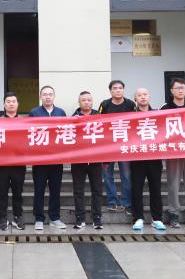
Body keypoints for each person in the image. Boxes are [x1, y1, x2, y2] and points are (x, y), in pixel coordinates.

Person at [161, 78, 185, 228]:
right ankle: (173, 213)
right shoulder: (165, 108)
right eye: (177, 88)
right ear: (171, 90)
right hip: (173, 151)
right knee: (173, 183)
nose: (180, 90)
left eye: (182, 87)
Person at [29, 85, 67, 231]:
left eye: (50, 94)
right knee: (39, 189)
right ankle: (39, 218)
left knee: (55, 189)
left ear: (54, 96)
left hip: (56, 159)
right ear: (40, 97)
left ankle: (54, 217)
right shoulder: (34, 112)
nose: (47, 97)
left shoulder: (61, 112)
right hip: (40, 159)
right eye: (44, 94)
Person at [129, 88, 166, 231]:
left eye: (145, 94)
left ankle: (157, 218)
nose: (143, 97)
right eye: (139, 95)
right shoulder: (130, 116)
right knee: (136, 189)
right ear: (135, 98)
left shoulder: (157, 114)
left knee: (155, 189)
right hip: (137, 157)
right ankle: (138, 218)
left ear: (149, 96)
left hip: (154, 157)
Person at [98, 80, 135, 215]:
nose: (118, 90)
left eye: (120, 88)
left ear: (123, 90)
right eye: (115, 88)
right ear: (110, 91)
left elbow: (136, 122)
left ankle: (127, 203)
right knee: (107, 175)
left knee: (126, 175)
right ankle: (112, 201)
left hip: (125, 145)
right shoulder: (104, 104)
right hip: (108, 146)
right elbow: (98, 122)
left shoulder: (130, 104)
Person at [71, 91, 103, 230]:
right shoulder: (73, 119)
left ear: (92, 102)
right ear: (79, 102)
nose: (86, 102)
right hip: (78, 160)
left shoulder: (100, 117)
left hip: (96, 160)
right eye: (83, 100)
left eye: (89, 100)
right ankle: (80, 218)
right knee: (78, 191)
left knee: (97, 191)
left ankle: (97, 219)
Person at [0, 92, 26, 231]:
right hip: (2, 164)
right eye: (8, 101)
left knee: (17, 192)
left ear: (18, 104)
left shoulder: (25, 122)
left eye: (13, 101)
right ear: (4, 104)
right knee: (2, 193)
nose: (11, 104)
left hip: (19, 164)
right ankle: (3, 217)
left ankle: (17, 216)